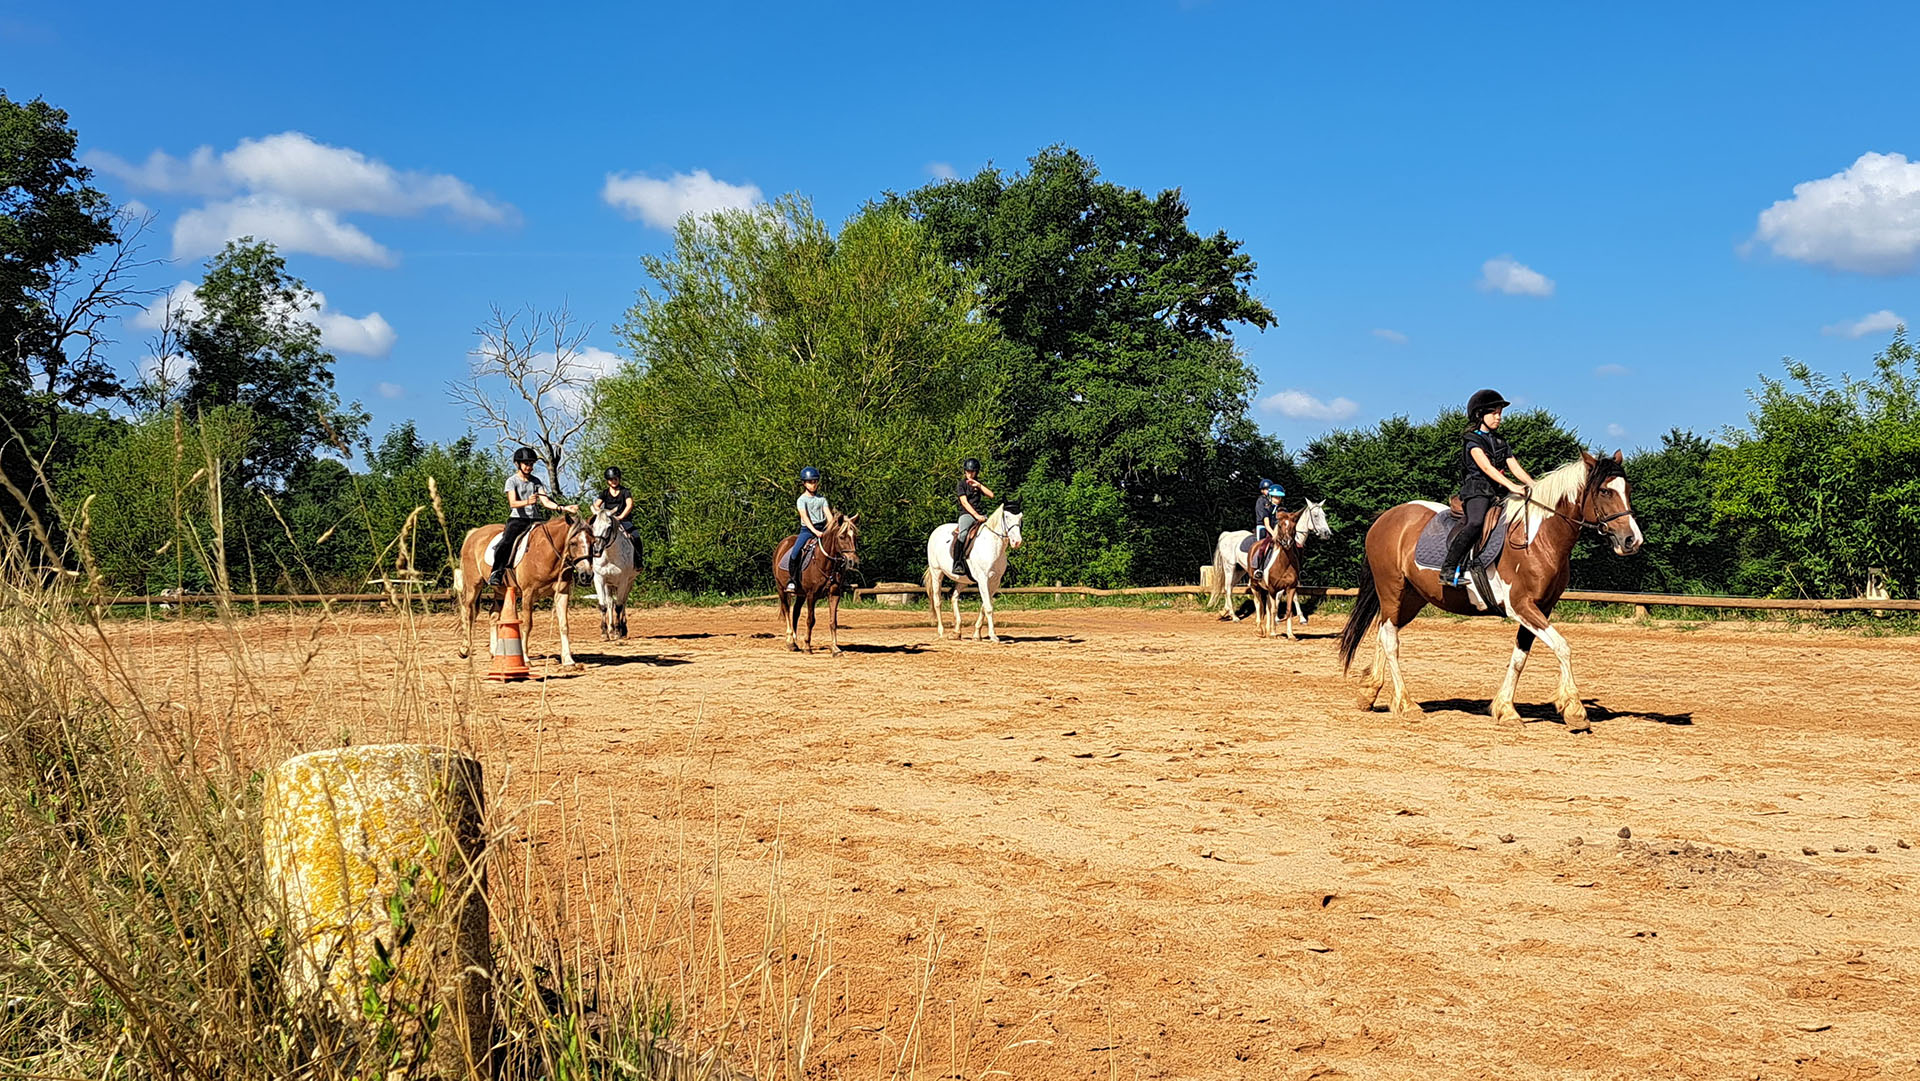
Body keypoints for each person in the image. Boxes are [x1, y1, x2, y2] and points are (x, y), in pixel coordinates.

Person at [1442, 389, 1535, 587]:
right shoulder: (1472, 440)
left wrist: (1534, 485)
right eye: (1494, 413)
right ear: (1479, 415)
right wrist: (1512, 486)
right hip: (1478, 490)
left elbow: (1514, 466)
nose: (1498, 417)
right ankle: (1448, 569)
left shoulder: (1501, 441)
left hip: (1498, 491)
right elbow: (1486, 467)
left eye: (1500, 413)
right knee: (1475, 523)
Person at [489, 446, 578, 587]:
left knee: (557, 539)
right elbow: (512, 503)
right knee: (506, 541)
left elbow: (546, 501)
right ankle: (497, 572)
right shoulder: (511, 481)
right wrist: (527, 502)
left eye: (531, 464)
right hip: (517, 520)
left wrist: (563, 508)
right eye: (526, 464)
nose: (529, 467)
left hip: (535, 520)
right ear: (518, 464)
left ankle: (568, 570)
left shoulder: (536, 481)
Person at [786, 466, 832, 591]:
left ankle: (838, 580)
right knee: (795, 553)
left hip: (822, 528)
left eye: (815, 481)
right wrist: (815, 532)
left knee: (837, 549)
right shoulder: (801, 500)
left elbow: (828, 515)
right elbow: (805, 518)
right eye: (810, 482)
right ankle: (792, 580)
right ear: (804, 483)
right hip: (807, 530)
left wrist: (832, 528)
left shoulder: (822, 499)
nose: (813, 485)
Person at [951, 457, 996, 569]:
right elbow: (964, 503)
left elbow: (991, 495)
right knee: (963, 534)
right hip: (967, 514)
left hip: (980, 514)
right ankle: (957, 563)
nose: (970, 474)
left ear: (976, 472)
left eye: (972, 472)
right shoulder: (961, 484)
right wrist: (976, 516)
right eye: (968, 471)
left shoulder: (977, 483)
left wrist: (979, 485)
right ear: (964, 471)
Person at [592, 466, 635, 541]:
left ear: (619, 479)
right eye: (611, 479)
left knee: (636, 535)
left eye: (615, 479)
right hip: (608, 519)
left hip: (623, 520)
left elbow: (629, 505)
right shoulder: (604, 493)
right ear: (607, 481)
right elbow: (596, 505)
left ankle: (638, 553)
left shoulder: (625, 492)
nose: (613, 481)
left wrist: (620, 517)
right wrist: (601, 514)